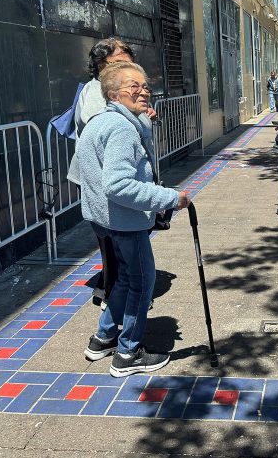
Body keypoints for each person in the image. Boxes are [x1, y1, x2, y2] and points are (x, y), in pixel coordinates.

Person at [78, 61, 191, 377]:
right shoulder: (121, 128)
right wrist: (170, 198)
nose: (143, 90)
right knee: (141, 282)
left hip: (104, 220)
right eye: (134, 86)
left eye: (145, 85)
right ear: (113, 93)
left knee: (125, 279)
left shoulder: (100, 122)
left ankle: (103, 338)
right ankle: (127, 354)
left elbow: (83, 170)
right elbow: (117, 185)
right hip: (124, 222)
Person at [67, 38, 150, 310]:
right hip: (105, 182)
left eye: (128, 62)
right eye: (117, 63)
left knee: (123, 248)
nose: (125, 69)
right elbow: (108, 130)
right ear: (101, 66)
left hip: (119, 178)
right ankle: (115, 300)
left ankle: (117, 299)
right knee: (116, 247)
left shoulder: (125, 92)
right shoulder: (95, 93)